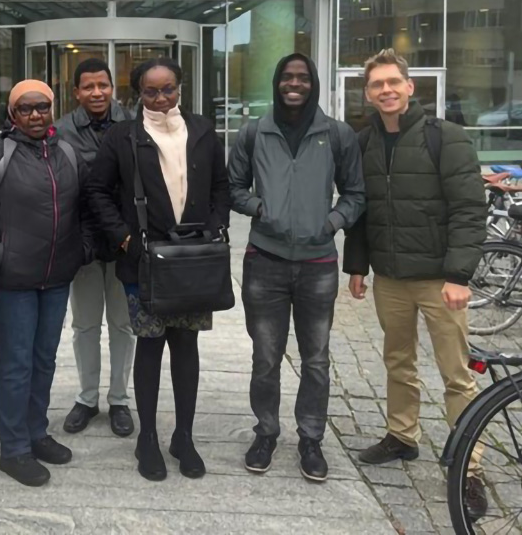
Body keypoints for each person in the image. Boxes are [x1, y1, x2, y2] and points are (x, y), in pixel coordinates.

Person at [342, 49, 488, 518]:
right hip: (391, 278)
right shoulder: (364, 143)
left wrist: (459, 274)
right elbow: (360, 212)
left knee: (455, 374)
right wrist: (358, 267)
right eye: (376, 85)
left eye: (393, 82)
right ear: (367, 93)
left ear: (410, 87)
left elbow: (469, 208)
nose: (385, 90)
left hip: (439, 280)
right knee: (397, 360)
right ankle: (403, 436)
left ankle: (469, 465)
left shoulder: (445, 138)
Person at [87, 57, 231, 482]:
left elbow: (221, 186)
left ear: (180, 87)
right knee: (150, 348)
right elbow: (97, 192)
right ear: (138, 94)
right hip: (144, 260)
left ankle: (183, 437)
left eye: (168, 88)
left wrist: (215, 224)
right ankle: (146, 437)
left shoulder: (203, 130)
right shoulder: (123, 136)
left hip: (193, 260)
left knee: (186, 347)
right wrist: (124, 238)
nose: (161, 97)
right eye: (151, 91)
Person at [227, 53, 364, 482]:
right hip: (264, 262)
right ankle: (266, 432)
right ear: (276, 82)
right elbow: (232, 187)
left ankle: (311, 439)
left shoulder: (337, 134)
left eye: (302, 77)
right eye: (287, 76)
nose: (294, 83)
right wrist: (259, 207)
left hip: (318, 264)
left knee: (316, 360)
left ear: (314, 83)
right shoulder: (254, 132)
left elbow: (356, 194)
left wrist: (331, 222)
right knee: (265, 358)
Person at [0, 80, 95, 487]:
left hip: (54, 279)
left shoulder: (68, 153)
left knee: (43, 360)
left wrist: (82, 249)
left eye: (42, 107)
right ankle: (14, 448)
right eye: (25, 109)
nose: (35, 115)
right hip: (7, 283)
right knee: (15, 365)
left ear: (53, 109)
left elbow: (88, 206)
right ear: (11, 114)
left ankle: (36, 433)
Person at [55, 58, 137, 437]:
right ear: (76, 92)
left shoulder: (134, 125)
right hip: (83, 242)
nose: (96, 92)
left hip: (125, 241)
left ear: (112, 87)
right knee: (85, 325)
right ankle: (87, 398)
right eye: (88, 86)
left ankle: (119, 398)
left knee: (123, 324)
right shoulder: (61, 131)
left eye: (102, 85)